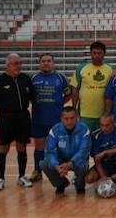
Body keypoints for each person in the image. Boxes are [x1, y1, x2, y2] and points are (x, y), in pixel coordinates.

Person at [0, 53, 33, 191]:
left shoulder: (25, 79)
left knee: (22, 147)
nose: (19, 66)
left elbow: (32, 97)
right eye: (15, 63)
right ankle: (1, 178)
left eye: (20, 63)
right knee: (3, 148)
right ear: (8, 65)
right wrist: (6, 111)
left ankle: (21, 176)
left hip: (23, 117)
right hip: (5, 119)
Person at [30, 53, 71, 182]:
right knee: (39, 147)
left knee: (59, 147)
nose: (46, 63)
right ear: (39, 63)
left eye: (48, 61)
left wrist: (58, 104)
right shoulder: (33, 78)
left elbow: (68, 95)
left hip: (56, 120)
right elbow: (30, 96)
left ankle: (59, 172)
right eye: (43, 61)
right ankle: (37, 171)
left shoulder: (61, 77)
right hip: (39, 119)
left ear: (53, 63)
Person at [41, 106, 91, 195]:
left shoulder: (84, 129)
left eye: (72, 118)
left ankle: (79, 185)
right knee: (44, 164)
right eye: (66, 118)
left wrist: (71, 163)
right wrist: (56, 166)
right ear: (61, 119)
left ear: (77, 118)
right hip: (61, 161)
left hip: (76, 161)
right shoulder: (54, 130)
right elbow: (49, 151)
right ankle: (61, 183)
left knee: (82, 165)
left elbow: (84, 151)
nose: (69, 121)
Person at [70, 41, 112, 132]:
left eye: (100, 53)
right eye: (94, 53)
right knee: (86, 140)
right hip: (85, 114)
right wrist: (74, 109)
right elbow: (74, 90)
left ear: (104, 54)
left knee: (102, 142)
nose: (97, 55)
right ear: (91, 54)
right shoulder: (81, 69)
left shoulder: (110, 70)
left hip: (103, 115)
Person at [84, 113, 116, 196]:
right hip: (105, 163)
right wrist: (103, 177)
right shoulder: (95, 135)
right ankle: (111, 177)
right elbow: (97, 159)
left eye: (107, 125)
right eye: (102, 125)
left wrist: (105, 152)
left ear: (113, 123)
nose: (104, 128)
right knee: (89, 178)